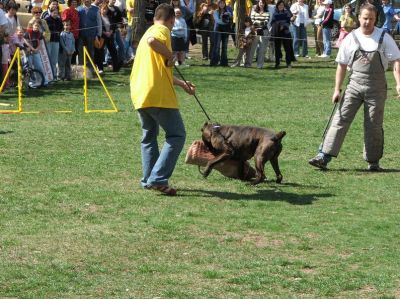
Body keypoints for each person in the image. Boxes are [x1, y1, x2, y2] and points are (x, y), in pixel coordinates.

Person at [309, 4, 400, 171]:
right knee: (340, 119)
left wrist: (399, 83)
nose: (367, 22)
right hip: (354, 86)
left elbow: (396, 61)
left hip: (377, 88)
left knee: (374, 124)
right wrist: (337, 89)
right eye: (365, 18)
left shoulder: (384, 37)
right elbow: (342, 65)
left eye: (371, 19)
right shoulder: (351, 37)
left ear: (376, 19)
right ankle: (323, 156)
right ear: (359, 18)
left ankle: (373, 162)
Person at [130, 3, 195, 196]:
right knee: (177, 135)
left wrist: (182, 84)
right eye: (174, 20)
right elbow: (152, 41)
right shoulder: (161, 30)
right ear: (170, 19)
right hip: (158, 96)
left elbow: (158, 70)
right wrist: (171, 54)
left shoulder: (148, 30)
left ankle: (149, 179)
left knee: (149, 137)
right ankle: (158, 179)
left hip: (141, 93)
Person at [95, 3, 119, 73]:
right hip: (102, 37)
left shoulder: (110, 16)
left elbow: (113, 26)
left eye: (106, 9)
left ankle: (116, 68)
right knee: (100, 52)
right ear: (100, 9)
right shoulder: (98, 17)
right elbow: (98, 27)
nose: (105, 10)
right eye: (103, 9)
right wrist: (105, 33)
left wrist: (111, 32)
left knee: (114, 51)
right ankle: (100, 68)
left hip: (110, 37)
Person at [270, 0, 295, 68]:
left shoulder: (287, 12)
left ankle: (288, 63)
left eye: (282, 5)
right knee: (277, 48)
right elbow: (272, 22)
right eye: (279, 5)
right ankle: (277, 63)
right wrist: (277, 26)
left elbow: (288, 22)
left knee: (287, 48)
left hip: (285, 32)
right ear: (277, 6)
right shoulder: (275, 13)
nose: (281, 6)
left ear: (284, 6)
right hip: (277, 33)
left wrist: (283, 26)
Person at [210, 0, 231, 67]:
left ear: (225, 4)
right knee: (217, 46)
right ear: (218, 4)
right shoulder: (215, 12)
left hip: (226, 29)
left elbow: (230, 17)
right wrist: (224, 19)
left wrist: (227, 15)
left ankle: (224, 63)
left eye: (223, 3)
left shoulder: (227, 11)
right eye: (220, 3)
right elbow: (218, 21)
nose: (222, 4)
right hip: (218, 29)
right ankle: (214, 62)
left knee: (224, 47)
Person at [250, 0, 270, 69]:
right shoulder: (254, 11)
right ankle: (248, 63)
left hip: (264, 32)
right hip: (255, 31)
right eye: (260, 2)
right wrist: (259, 23)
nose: (261, 4)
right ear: (258, 3)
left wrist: (258, 22)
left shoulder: (267, 12)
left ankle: (260, 65)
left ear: (264, 4)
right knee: (252, 48)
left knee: (262, 50)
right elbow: (252, 20)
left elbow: (266, 22)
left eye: (263, 3)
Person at [45, 7, 63, 76]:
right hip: (49, 41)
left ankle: (54, 75)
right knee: (48, 58)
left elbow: (61, 28)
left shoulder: (59, 20)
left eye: (57, 13)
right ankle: (48, 75)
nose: (55, 14)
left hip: (56, 41)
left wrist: (59, 32)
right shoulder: (46, 20)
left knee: (54, 59)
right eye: (54, 13)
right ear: (51, 12)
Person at [62, 0, 80, 64]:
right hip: (69, 34)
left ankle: (73, 66)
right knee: (68, 51)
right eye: (73, 2)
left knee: (74, 51)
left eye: (75, 2)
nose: (74, 3)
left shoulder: (77, 11)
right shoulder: (67, 11)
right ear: (69, 3)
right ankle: (68, 67)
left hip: (76, 34)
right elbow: (65, 22)